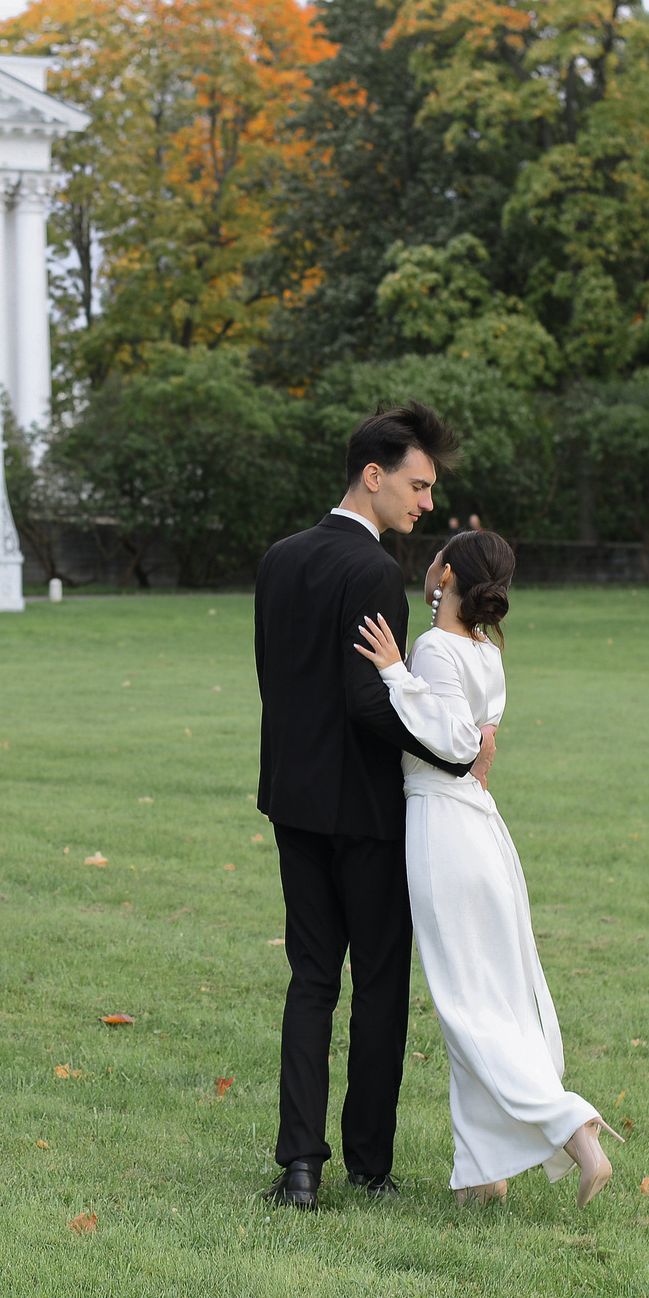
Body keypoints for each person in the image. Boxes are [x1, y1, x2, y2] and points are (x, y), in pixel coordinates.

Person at [352, 532, 621, 1207]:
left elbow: (451, 739)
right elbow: (479, 745)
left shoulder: (436, 648)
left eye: (434, 558)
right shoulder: (486, 653)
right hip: (481, 826)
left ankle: (574, 1127)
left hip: (444, 827)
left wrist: (394, 673)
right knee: (483, 998)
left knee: (467, 1005)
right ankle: (483, 1171)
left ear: (445, 575)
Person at [253, 402, 474, 1210]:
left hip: (293, 801)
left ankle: (300, 1170)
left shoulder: (277, 560)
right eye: (416, 486)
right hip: (369, 815)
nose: (425, 504)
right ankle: (369, 1167)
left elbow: (271, 678)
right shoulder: (375, 572)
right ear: (373, 476)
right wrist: (455, 750)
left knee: (311, 980)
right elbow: (369, 701)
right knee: (379, 984)